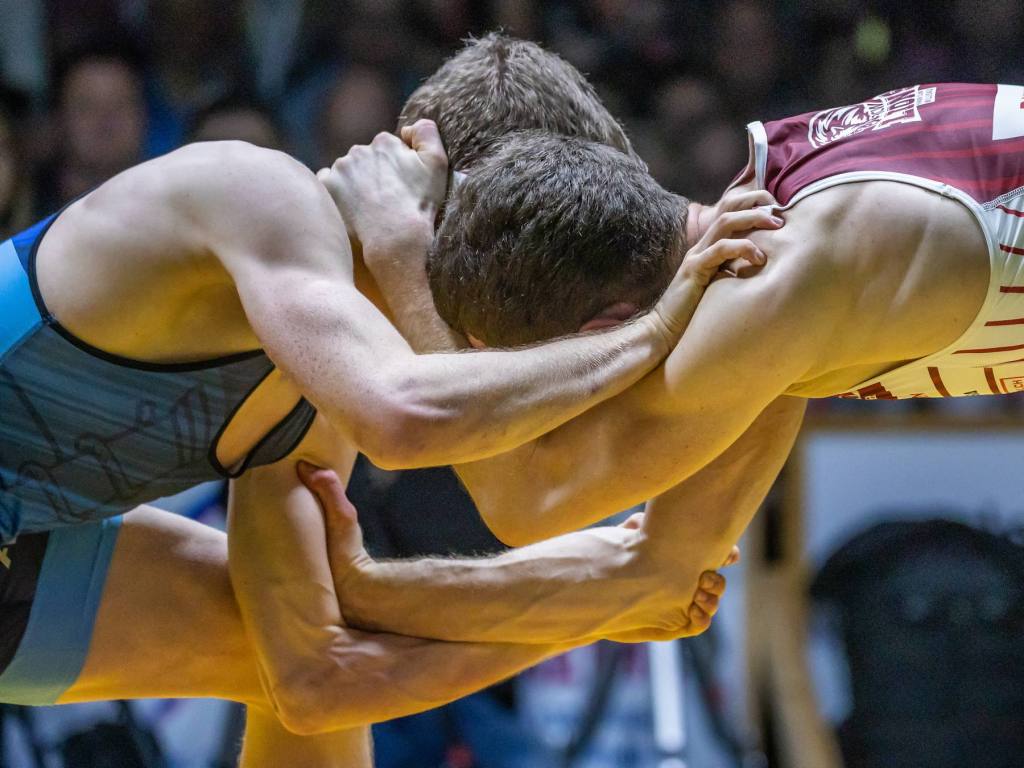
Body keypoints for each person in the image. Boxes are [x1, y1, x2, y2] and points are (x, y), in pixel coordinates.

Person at [0, 35, 760, 765]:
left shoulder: (324, 367)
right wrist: (653, 333)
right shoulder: (253, 193)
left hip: (22, 540)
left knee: (277, 661)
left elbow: (316, 680)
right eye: (526, 239)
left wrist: (608, 599)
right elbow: (401, 418)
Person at [320, 64, 1024, 646]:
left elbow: (529, 498)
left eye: (541, 379)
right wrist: (364, 592)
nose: (549, 408)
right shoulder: (767, 232)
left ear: (604, 332)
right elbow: (662, 575)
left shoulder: (771, 283)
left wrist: (398, 254)